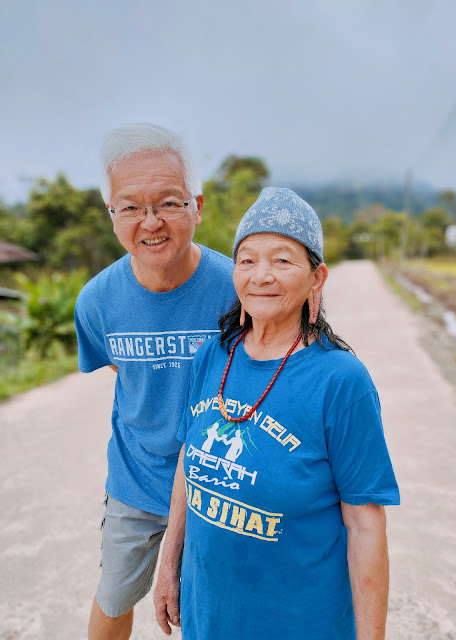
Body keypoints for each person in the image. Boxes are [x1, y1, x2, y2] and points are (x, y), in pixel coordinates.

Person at [155, 187, 400, 639]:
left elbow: (365, 525)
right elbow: (188, 461)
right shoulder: (213, 355)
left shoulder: (340, 381)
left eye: (282, 260)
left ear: (317, 278)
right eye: (247, 260)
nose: (260, 275)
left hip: (299, 622)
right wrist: (170, 564)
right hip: (208, 614)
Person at [74, 123, 236, 640]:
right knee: (114, 597)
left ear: (197, 206)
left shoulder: (237, 290)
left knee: (214, 610)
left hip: (220, 482)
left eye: (169, 202)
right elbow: (127, 372)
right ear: (111, 214)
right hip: (136, 482)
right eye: (131, 207)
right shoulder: (96, 302)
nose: (152, 222)